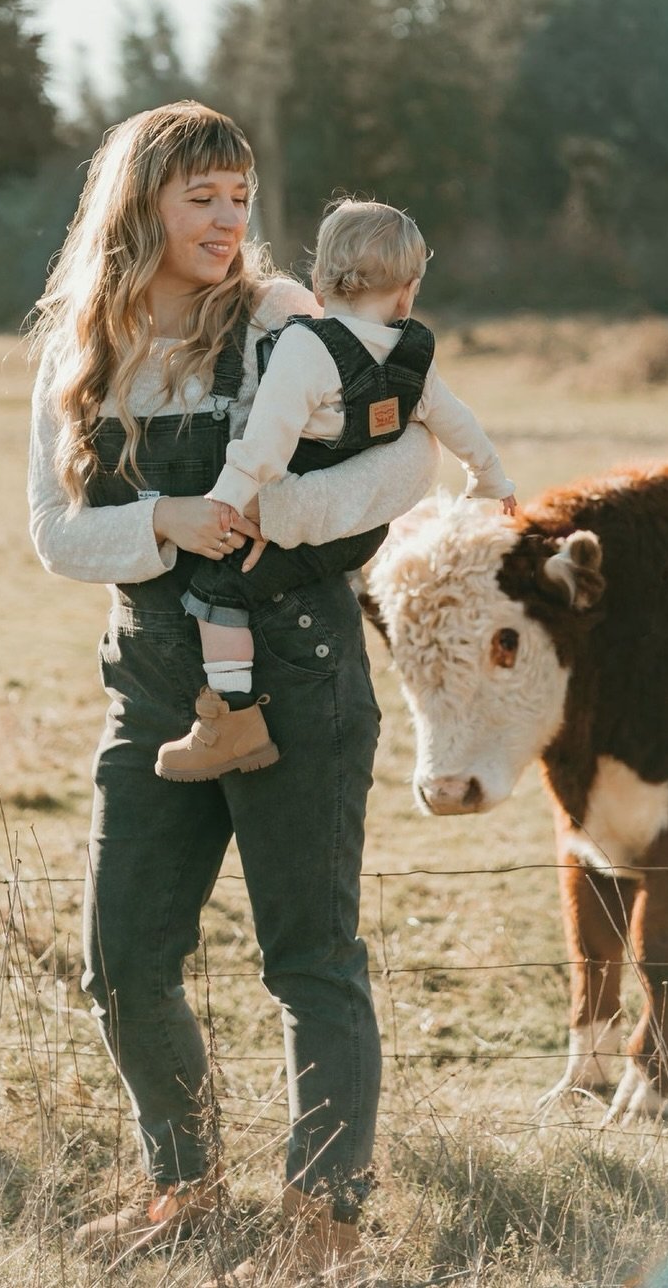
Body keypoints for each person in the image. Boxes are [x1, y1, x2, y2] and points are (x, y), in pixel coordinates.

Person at [26, 103, 439, 1270]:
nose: (228, 220)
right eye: (200, 196)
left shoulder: (281, 318)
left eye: (240, 196)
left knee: (309, 958)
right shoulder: (82, 350)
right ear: (139, 205)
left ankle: (323, 1219)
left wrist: (286, 509)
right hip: (154, 685)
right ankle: (186, 1188)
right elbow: (55, 532)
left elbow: (410, 456)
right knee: (122, 962)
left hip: (298, 671)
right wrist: (166, 519)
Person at [157, 197, 516, 783]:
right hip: (361, 532)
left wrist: (227, 499)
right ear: (408, 293)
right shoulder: (414, 355)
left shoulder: (307, 347)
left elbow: (267, 439)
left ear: (319, 283)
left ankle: (232, 720)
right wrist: (491, 479)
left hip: (294, 506)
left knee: (218, 590)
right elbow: (459, 424)